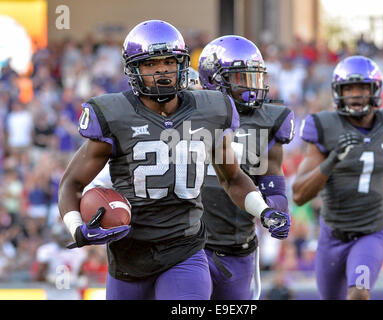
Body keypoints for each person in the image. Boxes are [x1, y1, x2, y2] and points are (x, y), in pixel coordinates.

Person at [58, 20, 290, 300]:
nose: (161, 72)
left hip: (185, 249)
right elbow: (72, 182)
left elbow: (234, 178)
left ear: (181, 64)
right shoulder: (114, 113)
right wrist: (77, 229)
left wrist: (264, 210)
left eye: (168, 62)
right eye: (150, 64)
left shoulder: (211, 110)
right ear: (133, 69)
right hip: (129, 255)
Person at [292, 55, 383, 300]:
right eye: (348, 88)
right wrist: (333, 160)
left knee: (359, 294)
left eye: (362, 87)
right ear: (337, 92)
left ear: (375, 90)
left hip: (372, 233)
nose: (355, 94)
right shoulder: (324, 125)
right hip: (333, 234)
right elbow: (299, 195)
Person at [197, 35, 294, 299]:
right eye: (241, 79)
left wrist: (275, 212)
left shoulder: (269, 120)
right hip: (190, 246)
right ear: (214, 80)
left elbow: (273, 185)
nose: (251, 87)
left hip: (237, 244)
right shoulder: (188, 112)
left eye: (254, 77)